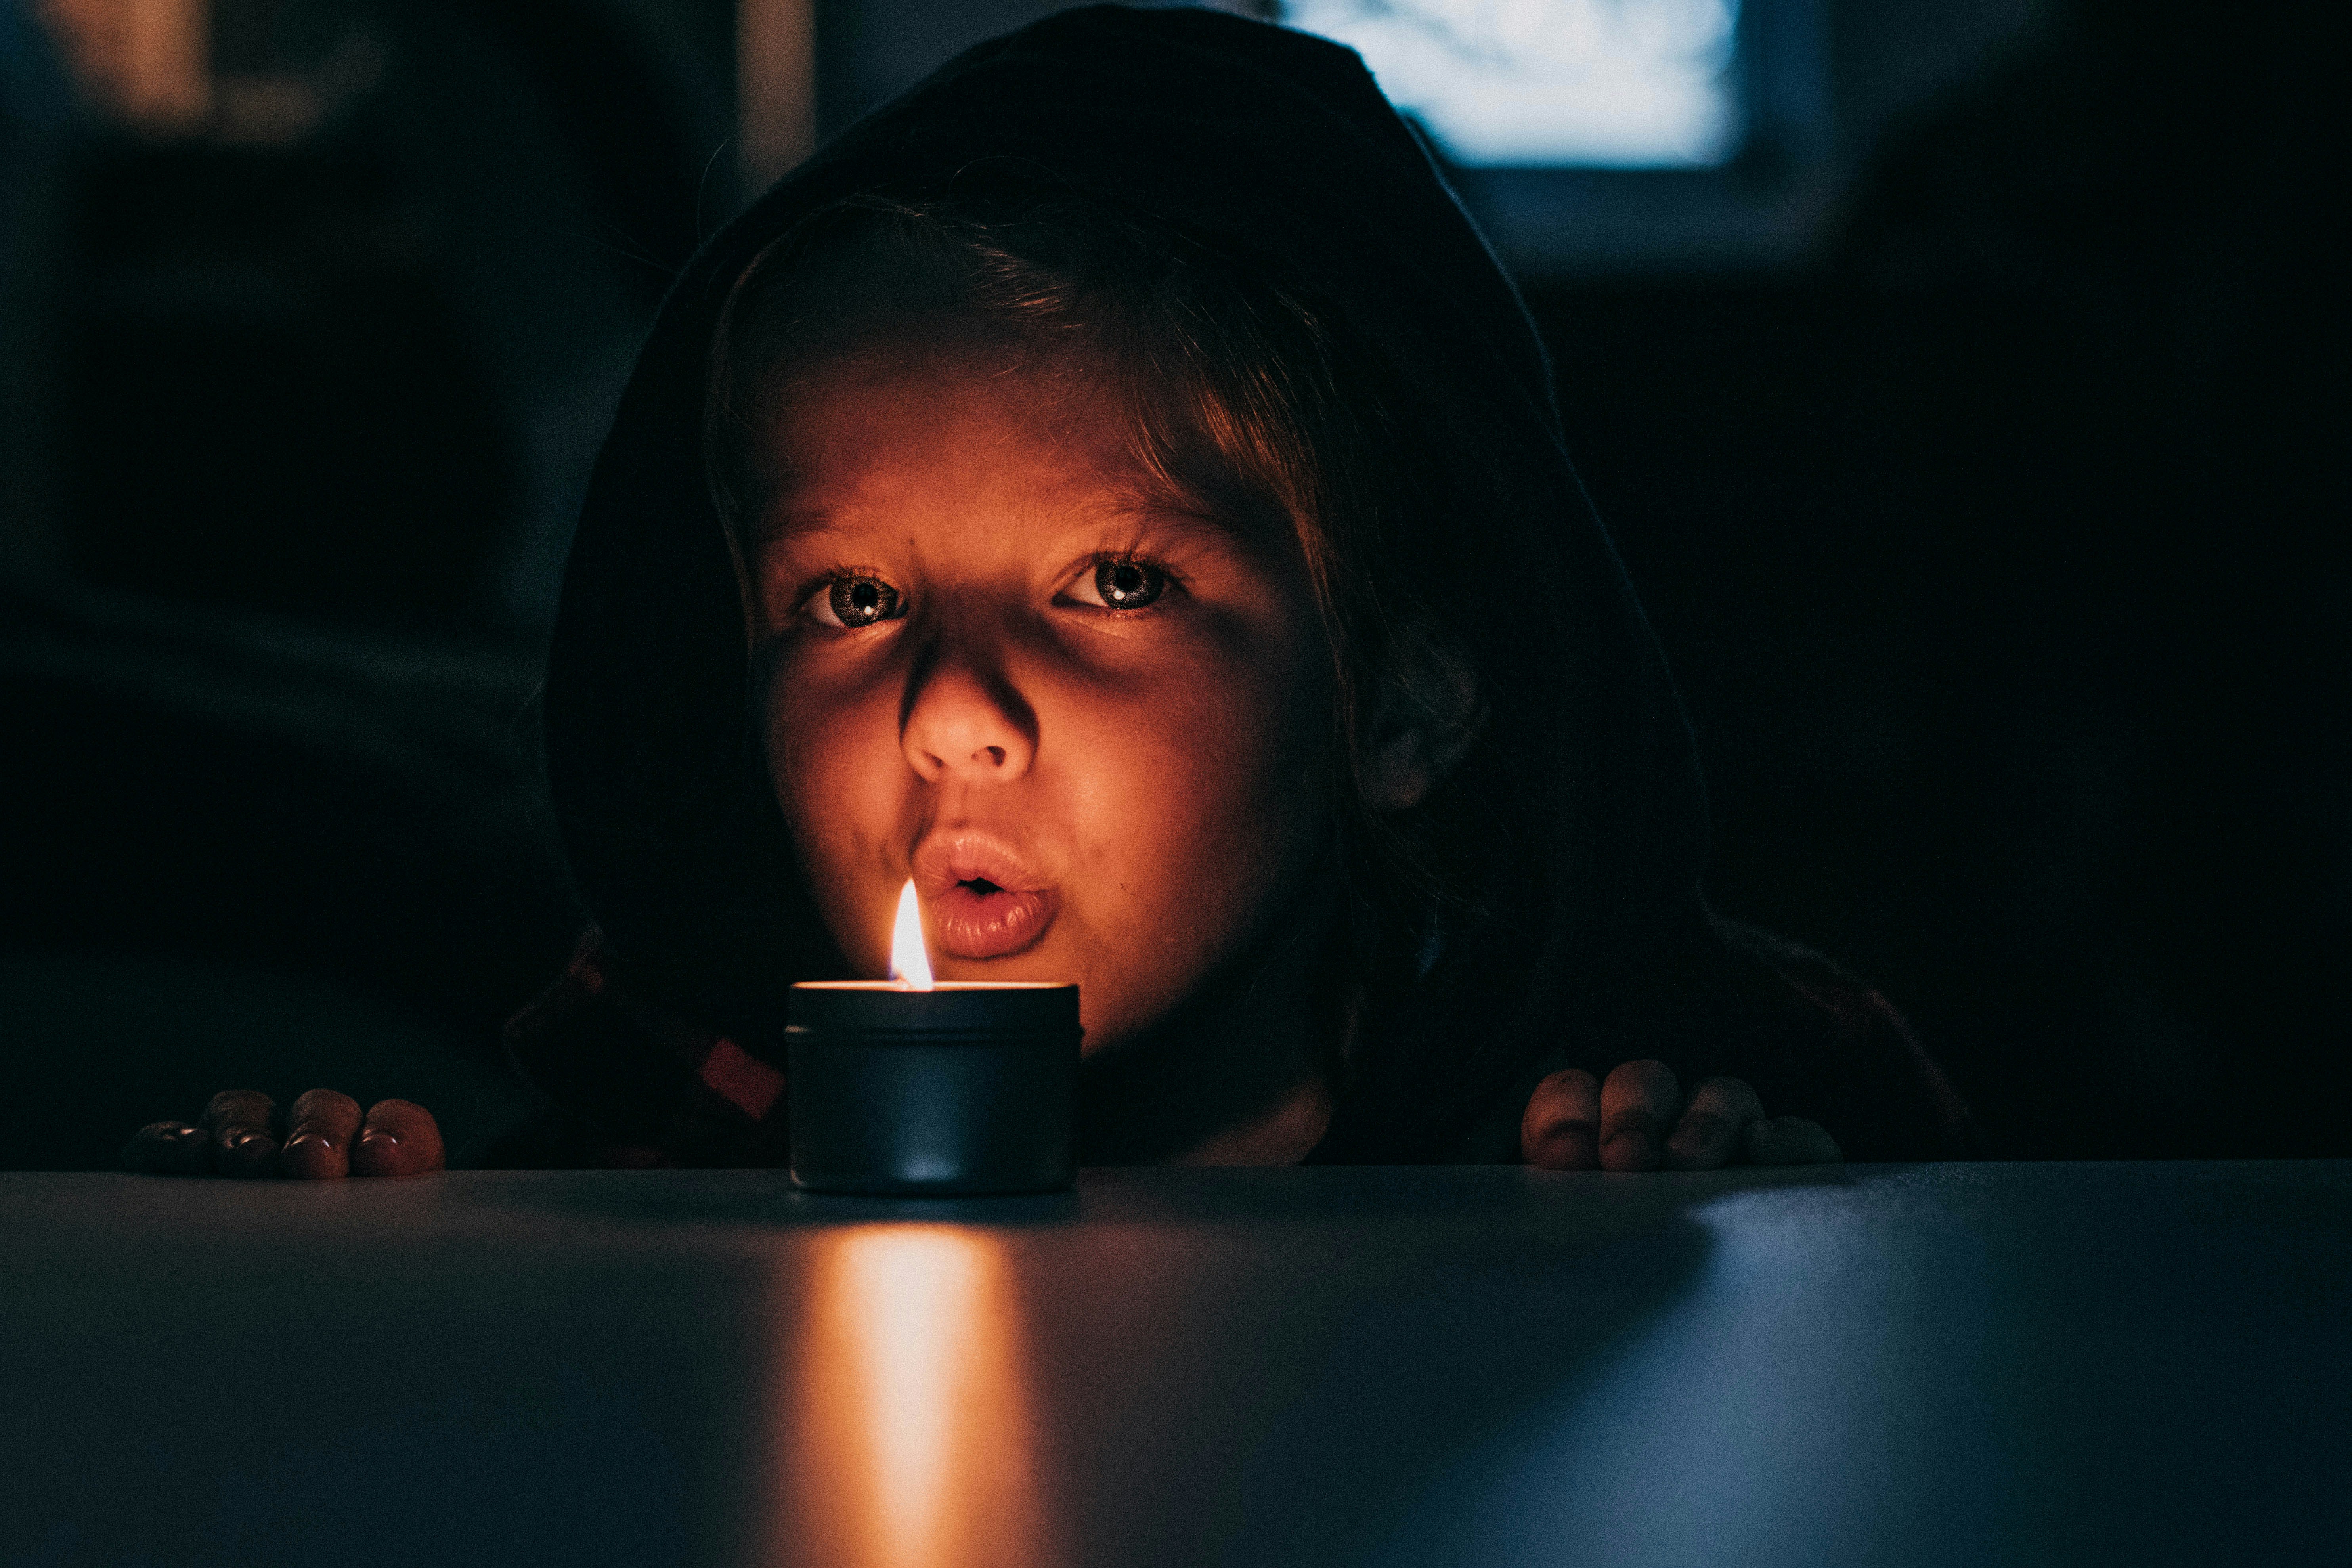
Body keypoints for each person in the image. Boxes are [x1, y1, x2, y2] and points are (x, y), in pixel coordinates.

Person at [124, 4, 1974, 1181]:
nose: (944, 710)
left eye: (1109, 578)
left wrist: (1708, 1220)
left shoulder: (1584, 1121)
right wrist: (341, 1248)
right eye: (850, 600)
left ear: (1398, 702)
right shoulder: (671, 1122)